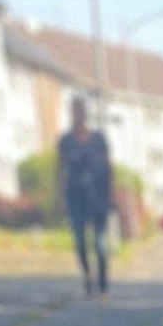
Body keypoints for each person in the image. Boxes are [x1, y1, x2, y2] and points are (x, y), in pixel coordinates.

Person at [56, 98, 114, 300]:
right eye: (75, 111)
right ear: (71, 114)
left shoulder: (99, 139)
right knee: (80, 241)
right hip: (75, 196)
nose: (79, 115)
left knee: (99, 243)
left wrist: (111, 196)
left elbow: (108, 169)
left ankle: (103, 285)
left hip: (98, 197)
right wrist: (60, 198)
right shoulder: (65, 141)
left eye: (81, 111)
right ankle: (87, 279)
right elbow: (61, 170)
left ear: (86, 113)